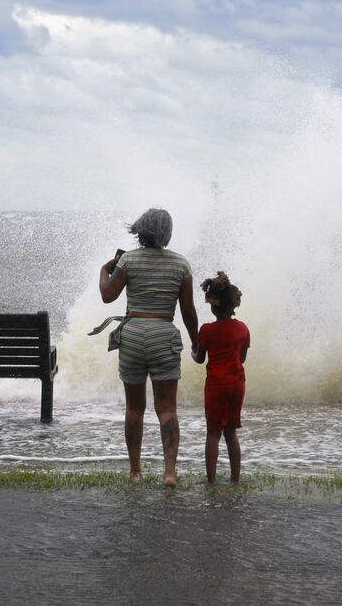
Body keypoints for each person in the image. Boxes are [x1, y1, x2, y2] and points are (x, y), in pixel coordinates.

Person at [99, 208, 198, 487]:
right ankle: (169, 473)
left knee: (134, 408)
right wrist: (196, 344)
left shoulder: (128, 261)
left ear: (139, 231)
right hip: (163, 335)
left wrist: (104, 269)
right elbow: (188, 311)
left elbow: (108, 296)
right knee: (167, 409)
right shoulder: (181, 265)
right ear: (167, 233)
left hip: (132, 335)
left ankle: (135, 471)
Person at [192, 271, 248, 484]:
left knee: (213, 433)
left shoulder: (206, 330)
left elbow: (199, 358)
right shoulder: (242, 328)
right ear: (233, 305)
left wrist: (192, 351)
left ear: (213, 306)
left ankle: (212, 480)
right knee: (231, 433)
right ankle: (235, 478)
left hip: (216, 385)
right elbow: (242, 358)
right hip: (237, 384)